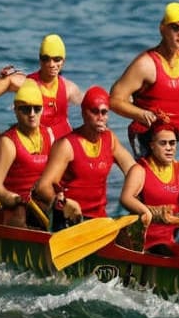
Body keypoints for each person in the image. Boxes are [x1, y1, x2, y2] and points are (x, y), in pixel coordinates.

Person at [109, 2, 179, 157]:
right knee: (153, 178)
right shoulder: (146, 64)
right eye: (175, 27)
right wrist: (139, 114)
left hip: (178, 133)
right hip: (148, 134)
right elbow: (114, 100)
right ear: (162, 29)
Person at [33, 85, 136, 229]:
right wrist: (62, 203)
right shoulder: (66, 145)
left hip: (99, 219)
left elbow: (134, 169)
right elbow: (43, 187)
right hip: (70, 219)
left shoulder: (110, 139)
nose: (100, 117)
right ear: (83, 113)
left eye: (104, 112)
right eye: (95, 112)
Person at [0, 33, 82, 139]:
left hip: (61, 144)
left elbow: (91, 108)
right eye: (46, 59)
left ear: (63, 61)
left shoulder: (70, 88)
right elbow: (7, 81)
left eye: (56, 59)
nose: (51, 64)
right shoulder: (28, 83)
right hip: (34, 142)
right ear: (40, 60)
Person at [119, 120, 179, 257]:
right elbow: (126, 198)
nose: (169, 148)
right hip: (146, 240)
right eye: (163, 143)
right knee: (176, 252)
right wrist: (149, 212)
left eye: (172, 143)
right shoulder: (140, 170)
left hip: (171, 237)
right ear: (152, 145)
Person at [0, 79, 53, 228]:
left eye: (36, 109)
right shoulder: (7, 142)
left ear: (42, 109)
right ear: (16, 110)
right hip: (16, 206)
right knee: (20, 215)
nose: (32, 114)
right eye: (25, 109)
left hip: (39, 203)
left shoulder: (49, 134)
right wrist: (9, 197)